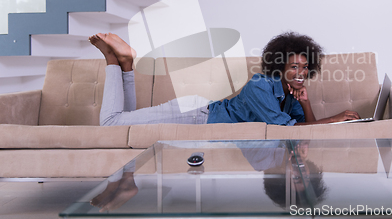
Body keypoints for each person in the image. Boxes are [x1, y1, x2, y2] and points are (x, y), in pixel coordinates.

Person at [90, 32, 360, 126]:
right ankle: (114, 62)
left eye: (304, 67)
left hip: (197, 114)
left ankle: (125, 64)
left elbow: (308, 132)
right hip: (195, 116)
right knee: (112, 123)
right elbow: (286, 130)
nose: (300, 73)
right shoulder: (260, 85)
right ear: (279, 67)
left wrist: (307, 103)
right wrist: (335, 119)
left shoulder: (291, 97)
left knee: (125, 120)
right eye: (293, 67)